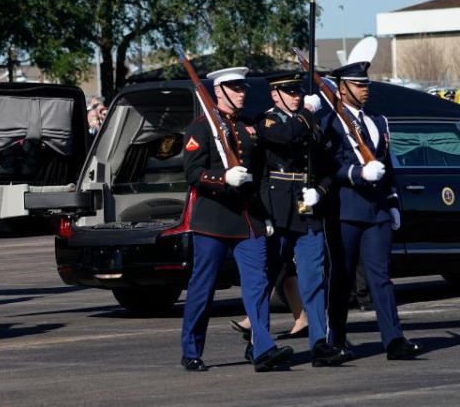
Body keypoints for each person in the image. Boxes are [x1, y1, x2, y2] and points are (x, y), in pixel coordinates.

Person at [179, 67, 293, 372]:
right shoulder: (201, 128)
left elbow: (260, 176)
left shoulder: (246, 128)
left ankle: (262, 347)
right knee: (203, 288)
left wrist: (265, 214)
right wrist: (222, 178)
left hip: (247, 221)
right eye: (235, 88)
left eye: (243, 88)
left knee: (257, 286)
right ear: (219, 92)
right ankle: (191, 349)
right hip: (214, 221)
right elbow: (192, 174)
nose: (242, 94)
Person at [321, 61, 422, 361]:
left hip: (376, 210)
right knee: (341, 277)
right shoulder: (331, 123)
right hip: (346, 209)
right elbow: (329, 166)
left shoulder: (378, 121)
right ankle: (336, 338)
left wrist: (392, 202)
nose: (365, 89)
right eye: (359, 85)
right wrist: (357, 174)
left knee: (381, 277)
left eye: (366, 84)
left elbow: (386, 164)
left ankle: (394, 339)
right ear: (342, 88)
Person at [250, 72, 344, 366]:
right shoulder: (267, 121)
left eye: (298, 92)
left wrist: (320, 190)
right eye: (290, 92)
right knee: (266, 278)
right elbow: (285, 135)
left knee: (314, 277)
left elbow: (329, 167)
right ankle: (259, 342)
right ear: (275, 95)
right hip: (277, 209)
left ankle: (319, 342)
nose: (296, 96)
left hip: (307, 207)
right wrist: (306, 114)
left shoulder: (310, 119)